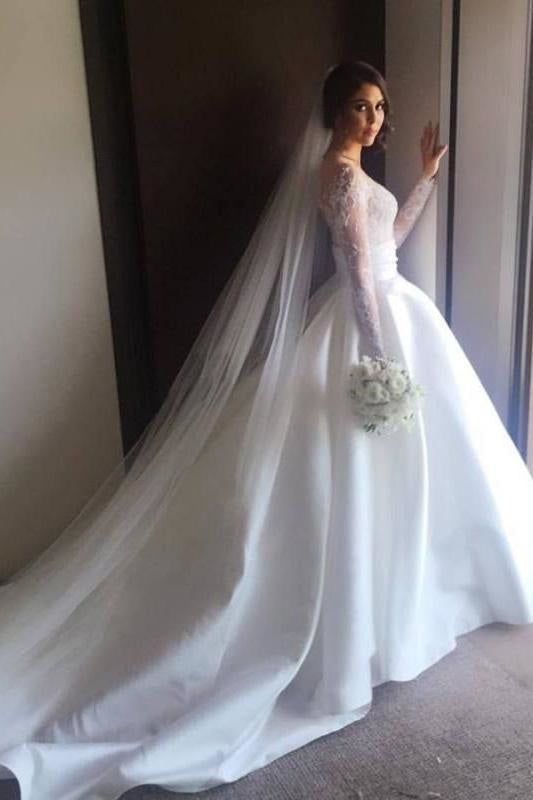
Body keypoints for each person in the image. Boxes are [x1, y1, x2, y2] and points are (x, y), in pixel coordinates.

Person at [0, 61, 532, 800]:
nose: (373, 119)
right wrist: (379, 365)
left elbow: (387, 242)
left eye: (378, 107)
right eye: (358, 106)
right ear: (334, 112)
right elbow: (354, 275)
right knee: (353, 478)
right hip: (370, 329)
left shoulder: (351, 173)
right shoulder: (339, 176)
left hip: (389, 313)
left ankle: (408, 592)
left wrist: (425, 178)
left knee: (397, 475)